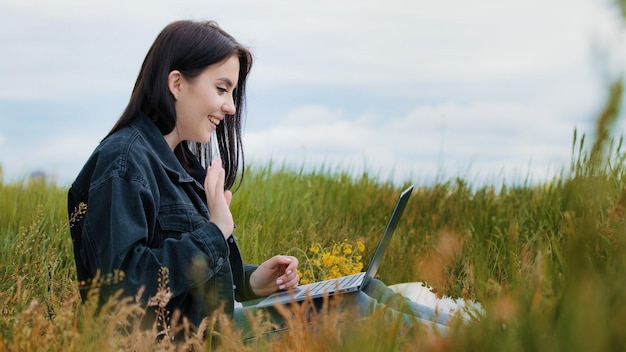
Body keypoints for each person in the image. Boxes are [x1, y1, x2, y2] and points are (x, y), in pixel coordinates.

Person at [67, 20, 450, 342]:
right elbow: (120, 288)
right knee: (351, 307)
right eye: (222, 89)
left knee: (364, 290)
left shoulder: (177, 162)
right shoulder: (123, 162)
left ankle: (484, 333)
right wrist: (215, 231)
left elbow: (191, 281)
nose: (230, 107)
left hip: (218, 326)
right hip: (191, 342)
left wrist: (252, 282)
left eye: (232, 92)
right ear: (177, 84)